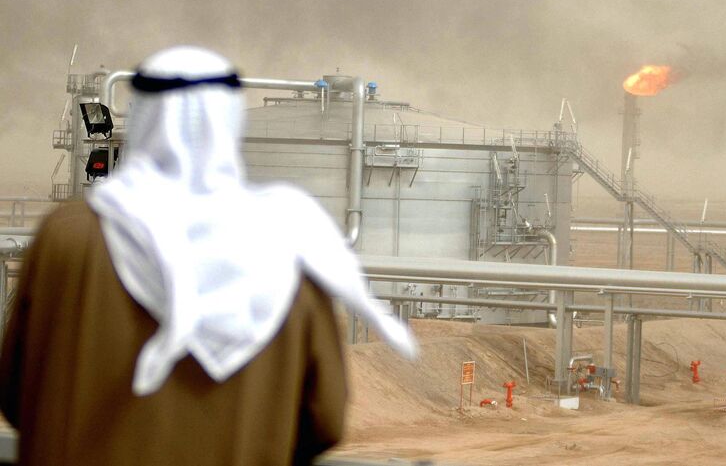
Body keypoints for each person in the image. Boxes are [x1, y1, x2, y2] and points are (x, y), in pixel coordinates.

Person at [0, 46, 416, 465]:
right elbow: (325, 421)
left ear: (142, 114)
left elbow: (15, 392)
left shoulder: (67, 237)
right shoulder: (289, 243)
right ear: (230, 121)